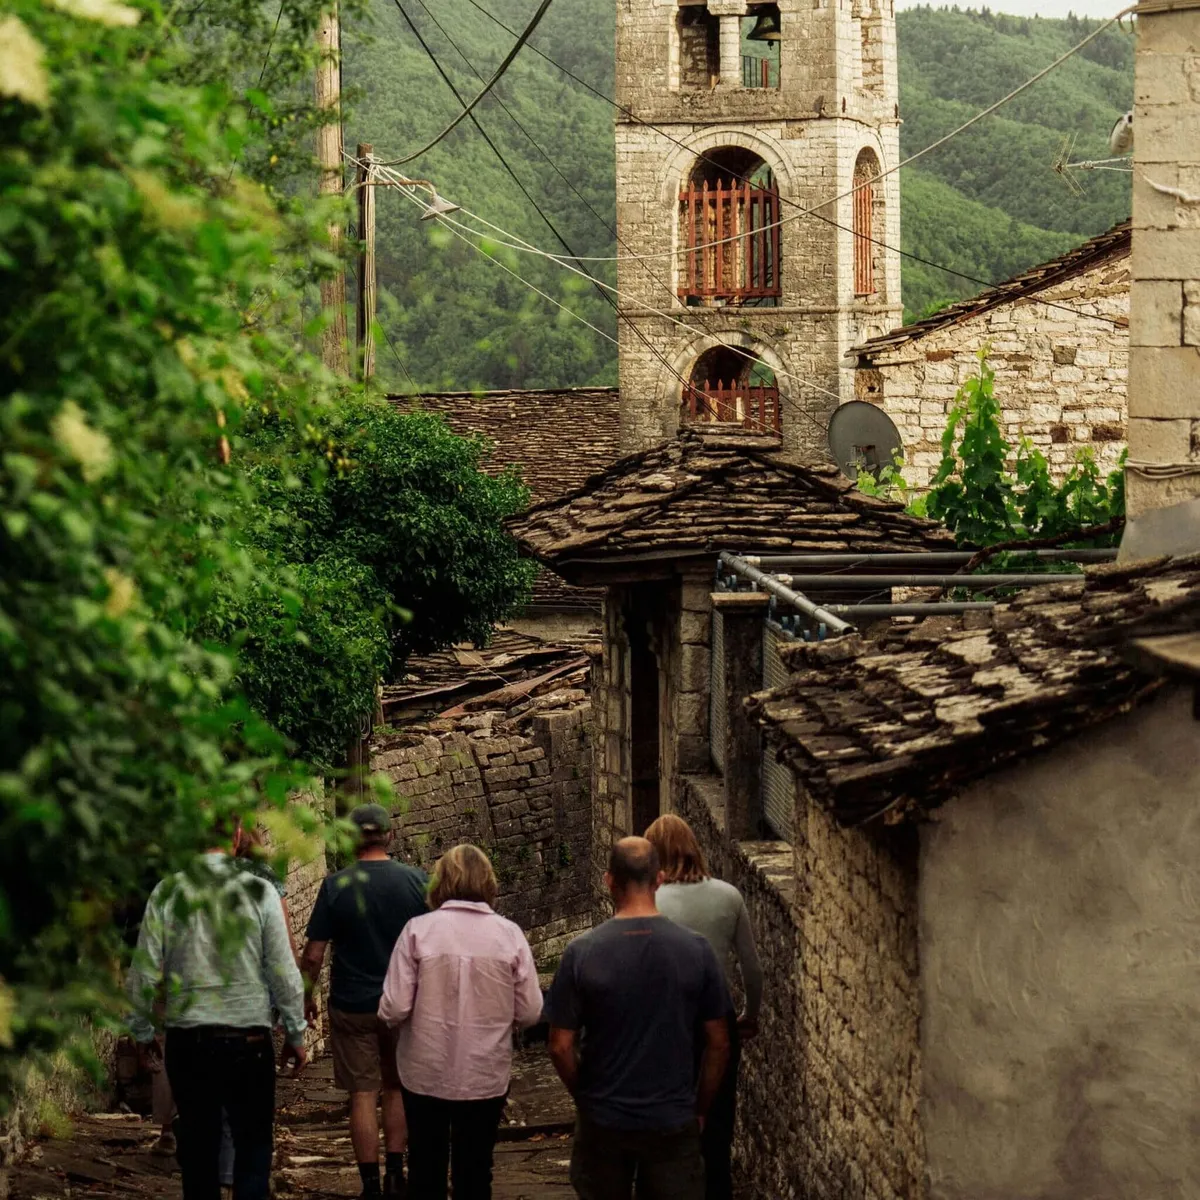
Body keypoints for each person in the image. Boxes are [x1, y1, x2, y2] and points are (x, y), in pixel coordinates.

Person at [127, 816, 307, 1200]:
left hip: (189, 1040)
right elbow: (283, 972)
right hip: (249, 1039)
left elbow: (142, 971)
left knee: (198, 1153)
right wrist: (295, 1033)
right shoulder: (261, 893)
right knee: (254, 1148)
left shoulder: (167, 893)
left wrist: (142, 1032)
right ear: (238, 836)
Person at [544, 837, 731, 1200]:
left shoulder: (581, 953)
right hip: (672, 1117)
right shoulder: (696, 950)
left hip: (604, 1119)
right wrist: (699, 1107)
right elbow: (719, 1042)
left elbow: (560, 1045)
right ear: (659, 879)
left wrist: (586, 1097)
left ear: (608, 881)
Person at [378, 843, 543, 1200]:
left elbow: (393, 1008)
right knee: (476, 1170)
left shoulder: (417, 931)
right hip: (484, 1073)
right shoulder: (509, 935)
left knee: (425, 1168)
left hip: (425, 1070)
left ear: (441, 882)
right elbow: (531, 1011)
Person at [301, 804, 428, 1199]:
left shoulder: (335, 886)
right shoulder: (417, 882)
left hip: (352, 1003)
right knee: (395, 1088)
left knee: (362, 1093)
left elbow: (314, 955)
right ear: (390, 836)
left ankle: (369, 1184)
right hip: (403, 1004)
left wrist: (306, 995)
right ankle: (395, 1174)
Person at [645, 814, 763, 1200]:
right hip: (719, 1020)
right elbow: (752, 967)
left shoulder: (650, 902)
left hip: (664, 1025)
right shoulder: (728, 896)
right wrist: (750, 1015)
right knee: (717, 1125)